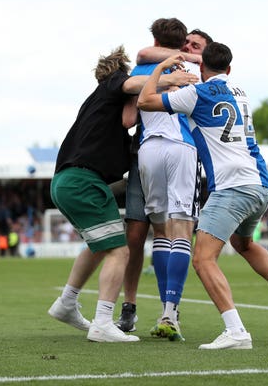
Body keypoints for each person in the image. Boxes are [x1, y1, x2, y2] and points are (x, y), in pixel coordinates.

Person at [137, 43, 268, 350]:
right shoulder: (240, 92)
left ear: (202, 69)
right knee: (244, 243)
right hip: (261, 184)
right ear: (229, 69)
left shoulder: (196, 94)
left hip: (232, 186)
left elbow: (145, 101)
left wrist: (162, 70)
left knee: (202, 259)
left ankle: (236, 331)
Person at [46, 46, 196, 343]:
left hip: (70, 181)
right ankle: (102, 322)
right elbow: (131, 91)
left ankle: (66, 303)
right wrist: (167, 79)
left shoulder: (98, 104)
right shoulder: (114, 83)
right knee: (121, 250)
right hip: (84, 181)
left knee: (100, 244)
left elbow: (127, 121)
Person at [116, 27, 213, 334]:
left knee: (159, 233)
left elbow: (128, 119)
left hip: (147, 150)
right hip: (181, 146)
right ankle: (169, 313)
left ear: (156, 40)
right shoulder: (193, 71)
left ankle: (144, 310)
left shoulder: (144, 65)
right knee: (182, 231)